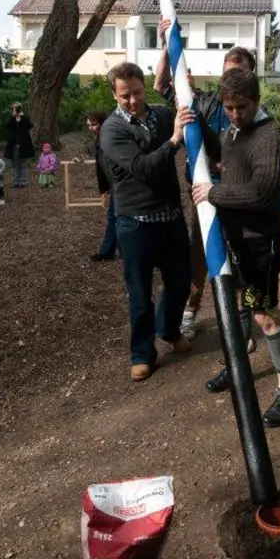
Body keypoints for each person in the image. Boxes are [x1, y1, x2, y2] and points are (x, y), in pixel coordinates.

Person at [192, 69, 280, 426]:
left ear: (256, 101)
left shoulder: (270, 136)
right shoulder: (234, 130)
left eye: (242, 107)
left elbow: (261, 192)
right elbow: (220, 150)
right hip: (234, 237)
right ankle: (237, 366)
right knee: (238, 302)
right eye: (229, 107)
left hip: (259, 242)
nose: (235, 114)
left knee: (263, 314)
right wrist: (193, 116)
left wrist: (214, 192)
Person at [154, 16, 258, 341]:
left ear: (251, 77)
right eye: (228, 73)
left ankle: (241, 323)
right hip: (204, 196)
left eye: (239, 74)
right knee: (198, 255)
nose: (232, 80)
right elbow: (161, 85)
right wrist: (166, 42)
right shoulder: (206, 102)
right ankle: (190, 311)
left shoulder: (255, 114)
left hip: (238, 198)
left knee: (240, 259)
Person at [99, 61, 196, 381]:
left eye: (137, 92)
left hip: (170, 216)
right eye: (125, 95)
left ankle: (168, 329)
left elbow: (187, 120)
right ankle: (142, 353)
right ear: (115, 95)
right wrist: (173, 140)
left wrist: (186, 92)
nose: (133, 100)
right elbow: (143, 168)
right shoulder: (112, 130)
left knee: (180, 280)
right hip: (134, 222)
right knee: (140, 292)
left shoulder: (161, 116)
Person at [87, 112, 119, 261]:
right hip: (115, 185)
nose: (91, 128)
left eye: (94, 125)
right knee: (118, 217)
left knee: (115, 217)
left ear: (103, 124)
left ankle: (108, 251)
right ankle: (114, 249)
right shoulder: (99, 139)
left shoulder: (109, 139)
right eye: (89, 125)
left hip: (121, 184)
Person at [5, 102, 34, 188]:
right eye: (15, 108)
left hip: (24, 145)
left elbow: (30, 125)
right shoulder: (11, 118)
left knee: (23, 164)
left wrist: (23, 116)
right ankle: (15, 182)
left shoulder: (24, 118)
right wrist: (13, 116)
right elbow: (6, 126)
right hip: (14, 145)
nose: (16, 109)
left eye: (17, 108)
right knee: (15, 164)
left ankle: (23, 181)